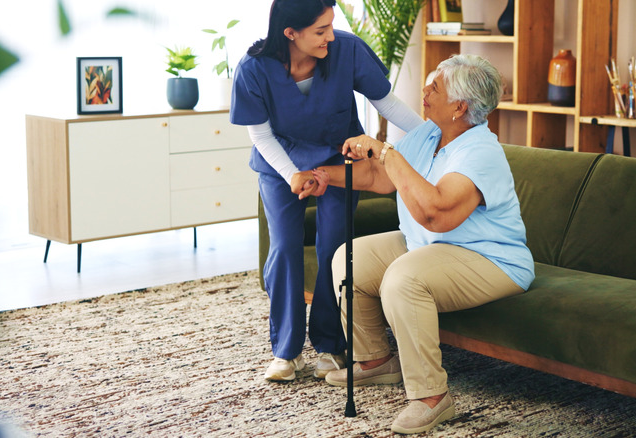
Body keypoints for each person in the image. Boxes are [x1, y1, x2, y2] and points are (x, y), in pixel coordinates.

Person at [295, 54, 535, 434]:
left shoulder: (480, 152)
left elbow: (436, 214)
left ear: (460, 107)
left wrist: (386, 151)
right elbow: (380, 175)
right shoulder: (428, 134)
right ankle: (376, 361)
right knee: (349, 257)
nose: (424, 91)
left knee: (404, 279)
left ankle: (431, 398)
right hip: (427, 246)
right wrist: (323, 176)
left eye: (434, 87)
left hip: (489, 259)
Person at [229, 0, 423, 382]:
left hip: (337, 162)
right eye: (321, 30)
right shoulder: (252, 69)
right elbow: (262, 136)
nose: (330, 36)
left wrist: (435, 140)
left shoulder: (346, 50)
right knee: (284, 247)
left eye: (331, 26)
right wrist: (292, 175)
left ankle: (328, 344)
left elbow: (387, 104)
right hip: (280, 165)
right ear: (290, 33)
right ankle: (285, 352)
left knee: (335, 249)